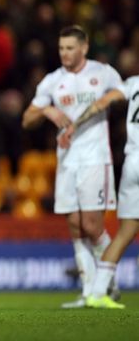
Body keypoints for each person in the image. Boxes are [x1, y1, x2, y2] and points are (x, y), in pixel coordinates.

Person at [21, 25, 121, 308]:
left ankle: (108, 280)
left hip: (95, 158)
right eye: (61, 48)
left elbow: (124, 92)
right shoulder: (53, 81)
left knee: (92, 224)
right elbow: (26, 120)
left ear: (84, 48)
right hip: (67, 161)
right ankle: (90, 292)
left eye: (70, 48)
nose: (64, 53)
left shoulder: (102, 73)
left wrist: (107, 100)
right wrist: (46, 110)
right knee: (76, 226)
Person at [58, 75, 139, 309]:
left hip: (132, 162)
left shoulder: (134, 83)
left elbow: (101, 103)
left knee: (126, 233)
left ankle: (98, 292)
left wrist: (75, 123)